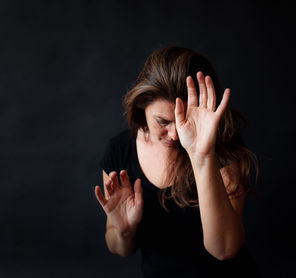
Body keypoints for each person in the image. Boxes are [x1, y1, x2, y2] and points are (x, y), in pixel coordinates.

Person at [94, 46, 261, 277]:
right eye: (162, 121)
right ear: (142, 106)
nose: (174, 134)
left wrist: (202, 156)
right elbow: (120, 249)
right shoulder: (119, 152)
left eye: (185, 121)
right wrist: (124, 230)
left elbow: (224, 249)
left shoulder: (224, 148)